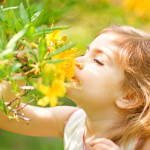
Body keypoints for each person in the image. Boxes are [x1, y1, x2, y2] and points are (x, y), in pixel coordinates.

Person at [1, 25, 150, 150]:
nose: (77, 61)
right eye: (85, 53)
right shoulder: (71, 121)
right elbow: (9, 118)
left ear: (129, 97)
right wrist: (16, 73)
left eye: (98, 61)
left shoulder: (142, 142)